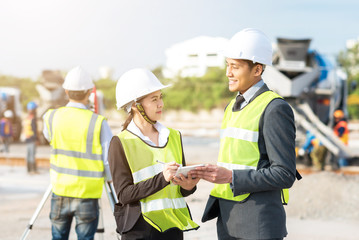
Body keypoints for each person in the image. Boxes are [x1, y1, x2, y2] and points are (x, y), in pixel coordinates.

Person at [192, 28, 300, 240]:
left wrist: (231, 177)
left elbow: (285, 174)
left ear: (257, 70)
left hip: (257, 224)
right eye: (227, 65)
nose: (228, 73)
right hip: (228, 219)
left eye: (235, 67)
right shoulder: (231, 106)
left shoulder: (274, 108)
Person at [109, 68, 199, 240]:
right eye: (154, 99)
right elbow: (124, 195)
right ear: (136, 106)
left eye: (161, 97)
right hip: (139, 231)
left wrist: (189, 186)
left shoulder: (173, 136)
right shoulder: (120, 143)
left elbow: (180, 191)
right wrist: (162, 178)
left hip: (173, 228)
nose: (161, 104)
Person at [42, 66, 113, 240]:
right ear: (90, 92)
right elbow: (108, 158)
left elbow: (49, 136)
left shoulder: (51, 117)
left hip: (60, 190)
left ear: (66, 91)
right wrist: (110, 179)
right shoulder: (98, 122)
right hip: (88, 194)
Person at [24, 101, 38, 174]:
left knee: (29, 154)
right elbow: (34, 130)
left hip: (27, 138)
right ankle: (33, 170)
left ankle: (29, 169)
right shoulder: (33, 119)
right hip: (32, 139)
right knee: (32, 154)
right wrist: (36, 139)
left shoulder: (27, 118)